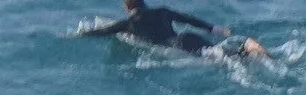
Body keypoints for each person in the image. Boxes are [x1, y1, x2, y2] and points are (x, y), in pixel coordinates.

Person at [80, 0, 223, 51]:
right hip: (188, 37)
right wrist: (213, 28)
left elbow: (102, 31)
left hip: (178, 47)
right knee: (221, 53)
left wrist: (80, 34)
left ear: (127, 8)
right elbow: (187, 19)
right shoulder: (162, 11)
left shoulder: (128, 23)